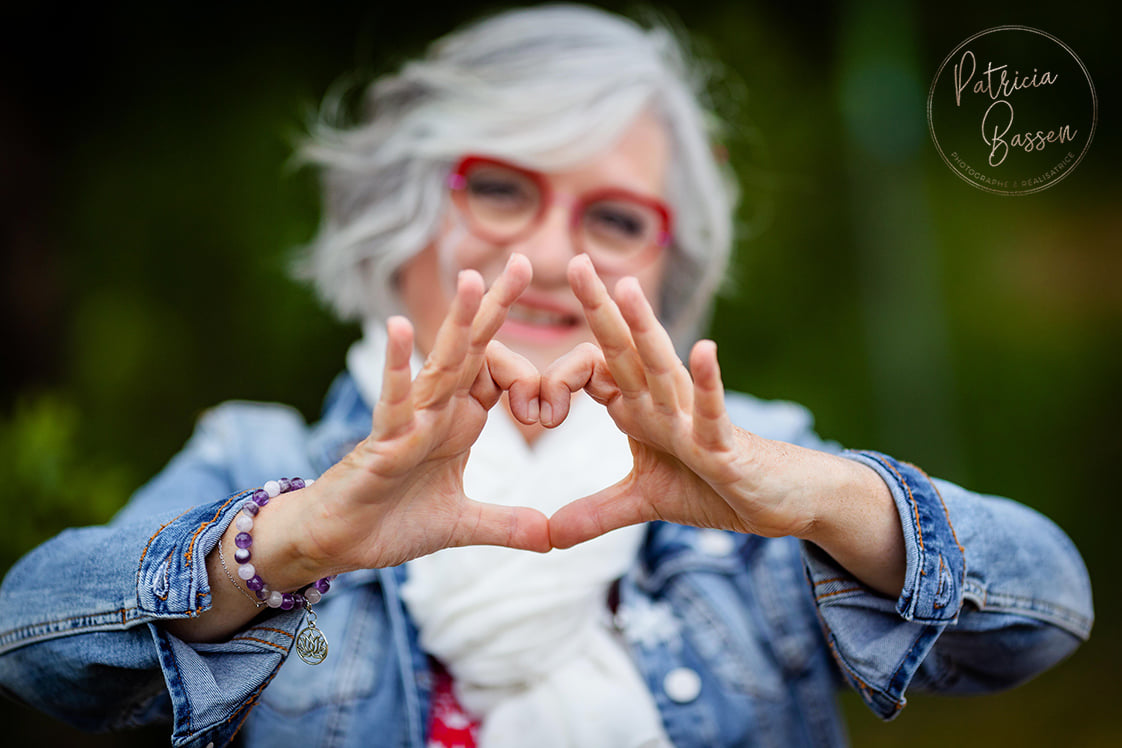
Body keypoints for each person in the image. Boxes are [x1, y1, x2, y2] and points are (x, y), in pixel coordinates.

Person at [0, 5, 1093, 747]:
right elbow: (34, 647)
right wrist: (302, 538)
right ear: (407, 207)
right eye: (502, 188)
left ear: (671, 264)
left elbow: (1044, 614)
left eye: (615, 216)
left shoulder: (758, 464)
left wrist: (812, 495)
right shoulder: (260, 460)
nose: (553, 254)